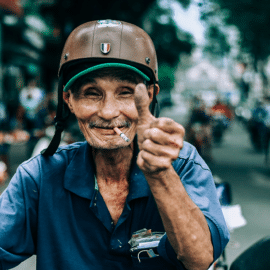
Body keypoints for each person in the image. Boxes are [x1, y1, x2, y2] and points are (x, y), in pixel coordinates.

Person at [0, 20, 229, 270]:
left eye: (125, 92)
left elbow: (200, 258)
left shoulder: (182, 164)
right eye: (91, 93)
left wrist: (161, 175)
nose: (109, 112)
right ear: (69, 100)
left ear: (150, 96)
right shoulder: (40, 177)